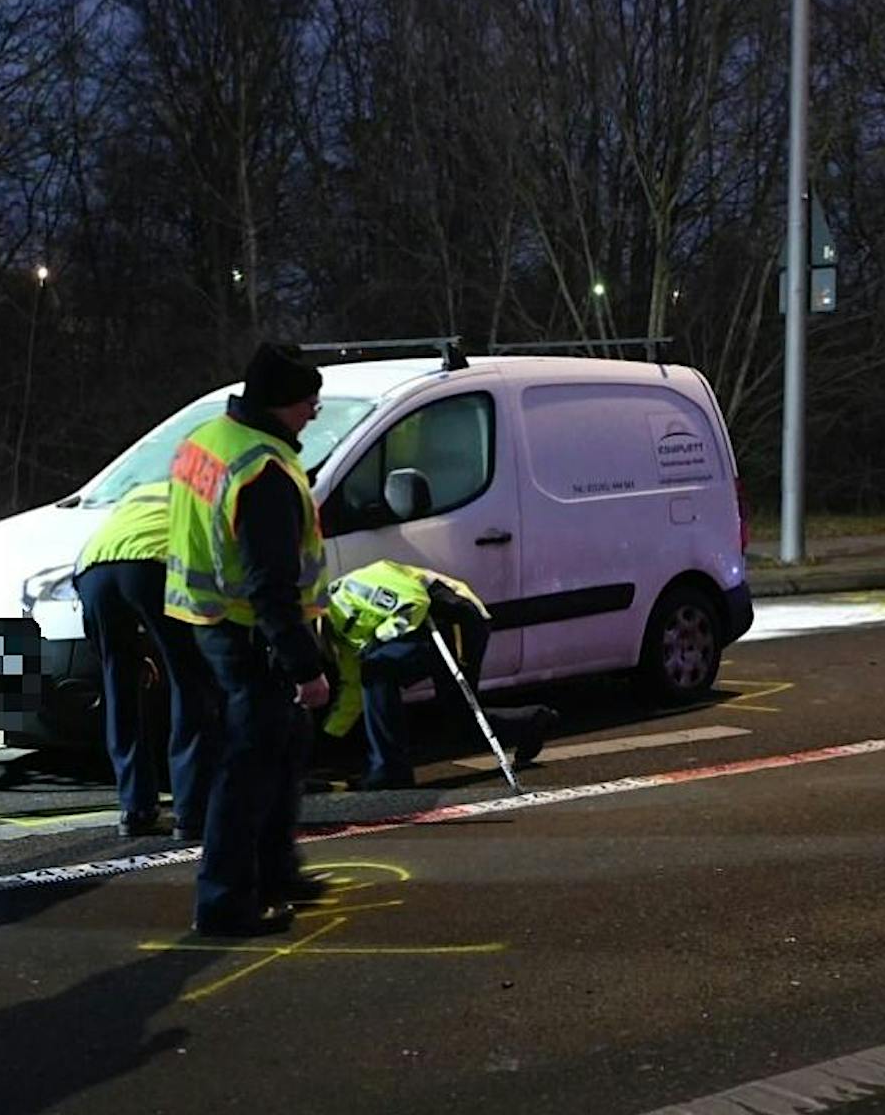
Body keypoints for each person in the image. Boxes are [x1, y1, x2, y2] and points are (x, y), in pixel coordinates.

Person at [165, 340, 331, 938]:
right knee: (250, 765)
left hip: (205, 619)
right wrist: (304, 666)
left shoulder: (210, 438)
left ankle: (276, 872)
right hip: (246, 632)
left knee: (282, 749)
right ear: (286, 402)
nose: (315, 410)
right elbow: (270, 585)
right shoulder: (263, 471)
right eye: (310, 399)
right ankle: (227, 902)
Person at [323, 557, 559, 791]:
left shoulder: (350, 590)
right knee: (458, 719)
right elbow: (354, 690)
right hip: (424, 630)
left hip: (455, 617)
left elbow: (414, 602)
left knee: (377, 669)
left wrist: (378, 640)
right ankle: (531, 722)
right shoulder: (340, 638)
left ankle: (390, 770)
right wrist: (326, 740)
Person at [72, 481, 216, 842]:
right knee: (190, 680)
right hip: (153, 566)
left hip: (93, 570)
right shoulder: (210, 494)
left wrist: (140, 651)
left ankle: (135, 809)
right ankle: (191, 811)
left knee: (119, 684)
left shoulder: (139, 493)